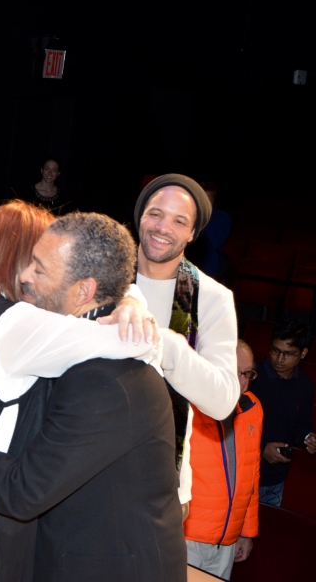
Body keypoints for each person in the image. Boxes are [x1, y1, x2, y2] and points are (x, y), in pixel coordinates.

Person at [0, 207, 185, 582]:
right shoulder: (62, 347)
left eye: (39, 268)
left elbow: (23, 491)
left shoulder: (105, 377)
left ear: (82, 290)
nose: (25, 276)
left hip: (108, 567)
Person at [125, 173, 239, 520]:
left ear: (193, 233)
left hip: (157, 486)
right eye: (156, 213)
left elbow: (222, 400)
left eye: (179, 221)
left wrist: (163, 343)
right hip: (80, 470)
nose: (163, 228)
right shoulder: (102, 276)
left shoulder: (212, 297)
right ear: (140, 215)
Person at [184, 340, 263, 581]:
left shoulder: (252, 407)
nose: (243, 382)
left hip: (227, 542)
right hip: (187, 539)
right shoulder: (186, 407)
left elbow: (251, 473)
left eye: (248, 374)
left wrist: (246, 532)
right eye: (238, 372)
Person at [252, 319, 316, 507]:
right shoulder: (252, 376)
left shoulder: (305, 386)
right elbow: (230, 423)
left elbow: (301, 425)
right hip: (243, 470)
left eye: (289, 354)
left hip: (275, 477)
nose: (279, 360)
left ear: (303, 353)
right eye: (275, 351)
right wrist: (262, 447)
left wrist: (308, 438)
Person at [185, 180, 232, 280]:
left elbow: (214, 241)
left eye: (208, 201)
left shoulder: (222, 218)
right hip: (183, 268)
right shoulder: (187, 214)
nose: (205, 204)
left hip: (206, 273)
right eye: (202, 200)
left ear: (214, 199)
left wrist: (199, 216)